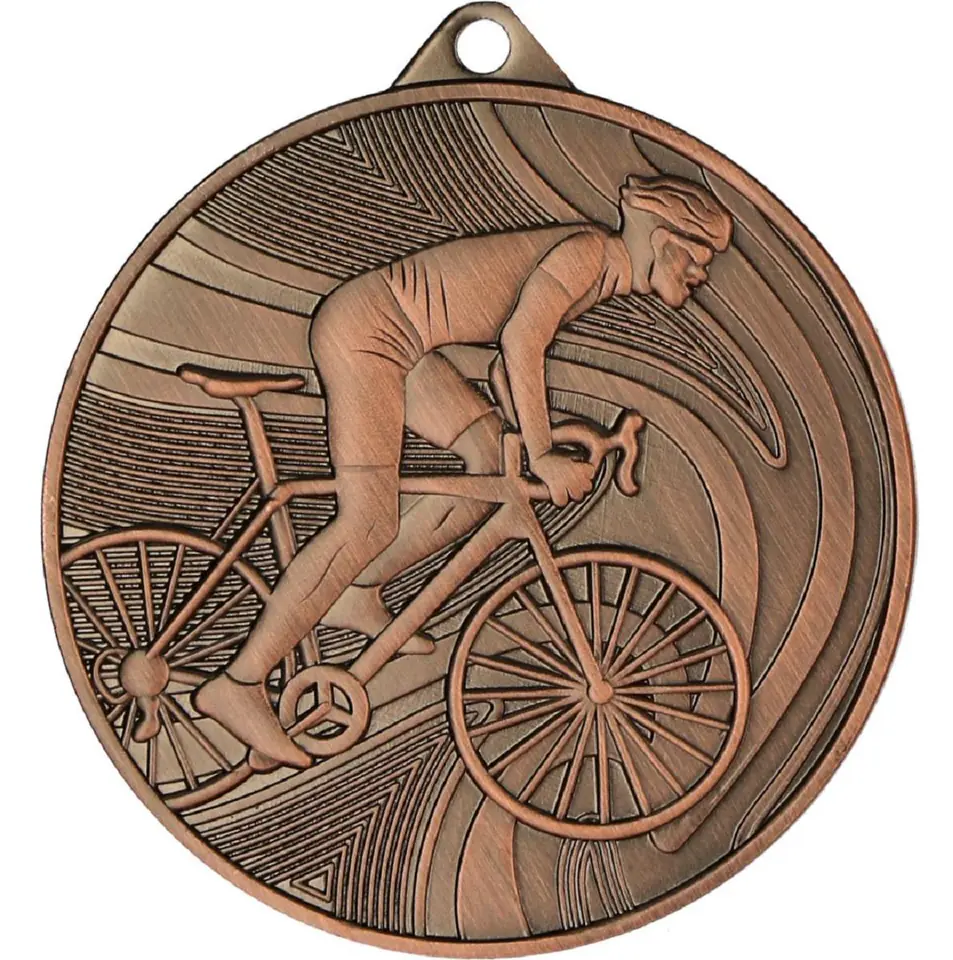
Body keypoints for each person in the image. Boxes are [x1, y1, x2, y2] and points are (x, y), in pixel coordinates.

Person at [194, 174, 734, 768]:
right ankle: (240, 683)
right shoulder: (588, 255)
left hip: (404, 341)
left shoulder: (598, 266)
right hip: (370, 333)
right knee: (368, 521)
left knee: (489, 468)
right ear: (662, 238)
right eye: (699, 255)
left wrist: (547, 437)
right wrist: (544, 456)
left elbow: (508, 372)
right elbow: (521, 345)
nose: (703, 273)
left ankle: (357, 590)